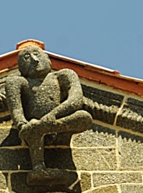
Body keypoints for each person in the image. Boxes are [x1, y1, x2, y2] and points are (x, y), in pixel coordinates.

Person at [6, 42, 92, 180]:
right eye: (27, 57)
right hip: (33, 126)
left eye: (37, 54)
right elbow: (16, 109)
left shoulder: (64, 75)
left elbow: (76, 99)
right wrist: (22, 124)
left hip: (57, 122)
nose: (34, 60)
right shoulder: (18, 82)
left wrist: (52, 116)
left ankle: (41, 128)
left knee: (84, 117)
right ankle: (39, 167)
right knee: (32, 126)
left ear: (47, 59)